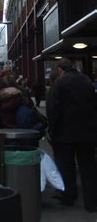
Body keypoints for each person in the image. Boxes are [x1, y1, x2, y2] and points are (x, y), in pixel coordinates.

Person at [46, 58, 97, 212]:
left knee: (67, 168)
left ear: (60, 69)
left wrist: (52, 131)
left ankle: (69, 196)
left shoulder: (59, 84)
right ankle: (91, 202)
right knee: (88, 168)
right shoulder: (86, 80)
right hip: (87, 133)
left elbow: (53, 110)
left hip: (64, 134)